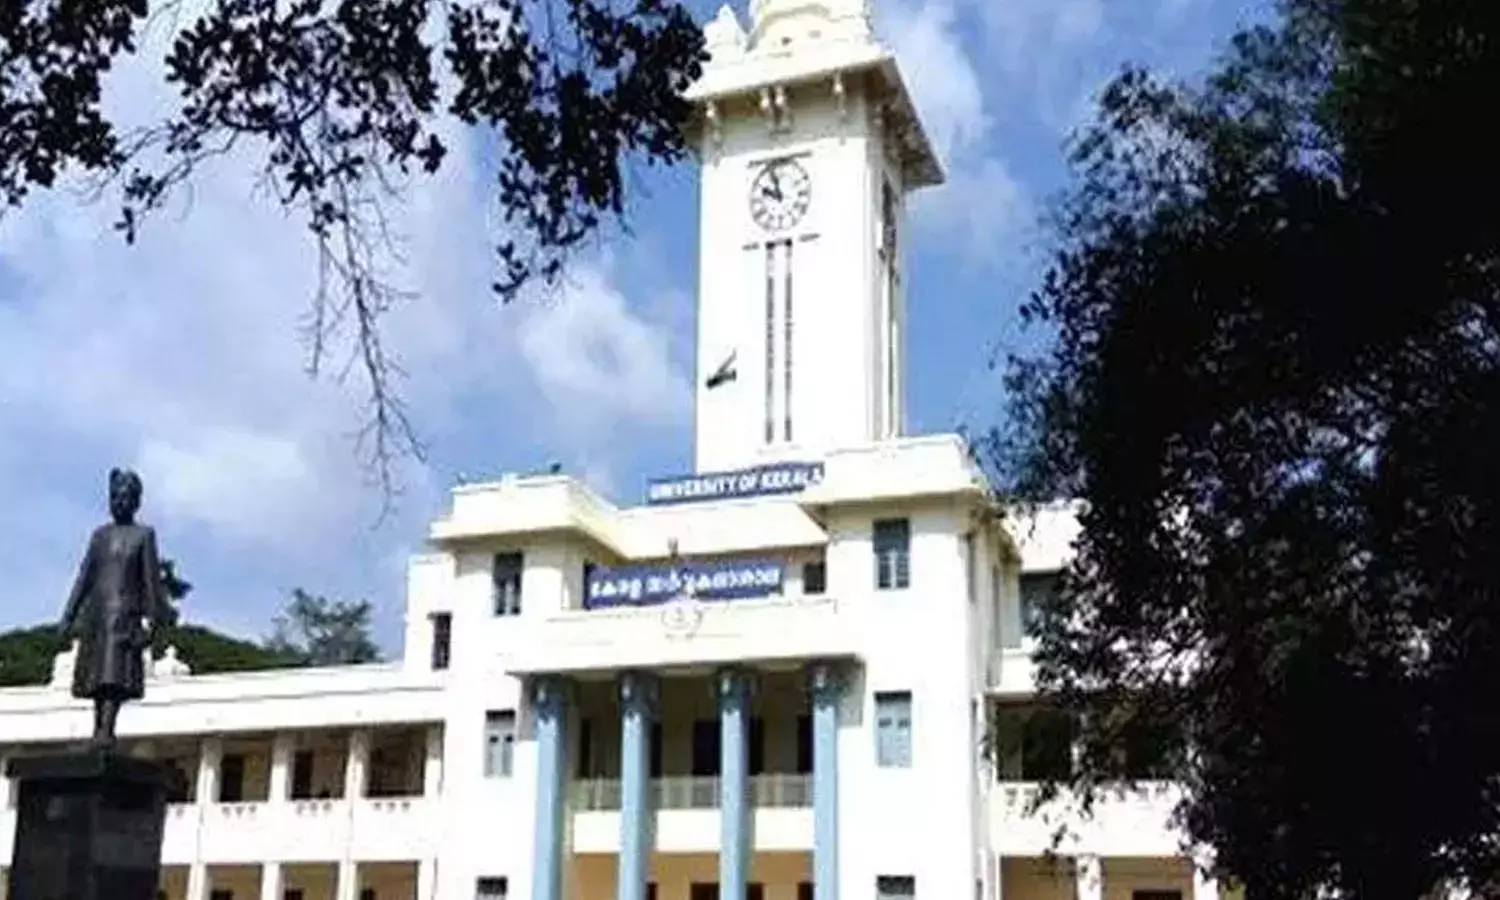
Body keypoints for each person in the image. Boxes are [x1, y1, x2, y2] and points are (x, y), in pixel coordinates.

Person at [59, 468, 168, 746]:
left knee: (114, 676)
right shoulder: (100, 535)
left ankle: (106, 730)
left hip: (124, 615)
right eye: (114, 497)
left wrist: (155, 623)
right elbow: (84, 577)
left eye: (124, 497)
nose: (118, 502)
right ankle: (98, 729)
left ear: (136, 501)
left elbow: (151, 580)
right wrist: (68, 615)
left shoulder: (143, 535)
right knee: (95, 677)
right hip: (96, 614)